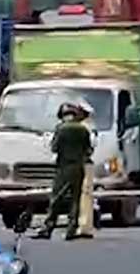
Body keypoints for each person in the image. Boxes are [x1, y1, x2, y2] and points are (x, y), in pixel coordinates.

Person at [33, 101, 94, 241]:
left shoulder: (61, 129)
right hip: (79, 167)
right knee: (75, 199)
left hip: (64, 167)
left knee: (57, 198)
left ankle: (48, 227)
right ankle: (71, 229)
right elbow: (88, 150)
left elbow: (54, 148)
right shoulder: (83, 129)